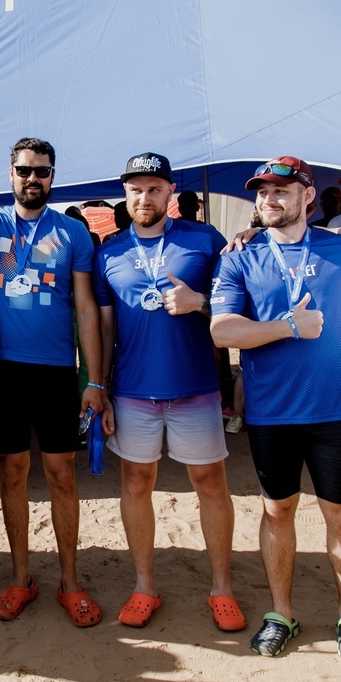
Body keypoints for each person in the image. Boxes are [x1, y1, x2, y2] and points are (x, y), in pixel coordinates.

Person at [0, 120, 107, 628]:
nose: (32, 178)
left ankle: (70, 582)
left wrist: (94, 380)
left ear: (53, 176)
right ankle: (21, 578)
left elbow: (85, 309)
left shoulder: (73, 232)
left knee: (62, 475)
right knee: (12, 472)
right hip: (0, 368)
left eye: (41, 171)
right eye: (24, 170)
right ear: (10, 174)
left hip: (55, 371)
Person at [210, 156, 341, 663]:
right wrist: (287, 327)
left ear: (308, 196)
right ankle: (281, 613)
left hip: (336, 408)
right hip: (272, 410)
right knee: (277, 510)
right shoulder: (240, 257)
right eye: (262, 192)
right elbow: (222, 330)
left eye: (281, 190)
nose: (269, 199)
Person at [96, 152, 243, 632]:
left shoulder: (204, 239)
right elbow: (104, 328)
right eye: (136, 189)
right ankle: (144, 586)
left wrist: (200, 301)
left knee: (211, 484)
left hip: (194, 387)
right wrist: (99, 387)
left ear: (170, 193)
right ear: (126, 194)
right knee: (136, 484)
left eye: (154, 189)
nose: (145, 198)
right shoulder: (109, 252)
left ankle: (221, 589)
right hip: (133, 391)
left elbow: (237, 299)